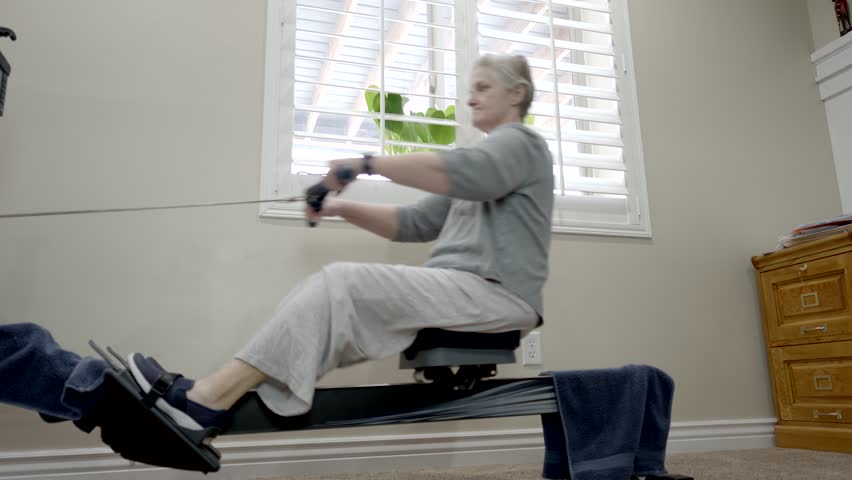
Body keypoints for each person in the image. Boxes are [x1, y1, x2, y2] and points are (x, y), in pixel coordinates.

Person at [1, 53, 554, 434]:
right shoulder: (483, 166)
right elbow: (413, 224)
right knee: (331, 285)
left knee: (343, 282)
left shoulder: (520, 145)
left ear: (517, 93)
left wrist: (362, 163)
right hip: (465, 288)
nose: (472, 98)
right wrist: (338, 205)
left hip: (497, 295)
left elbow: (467, 172)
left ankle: (204, 401)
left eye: (483, 88)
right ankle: (214, 392)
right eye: (471, 89)